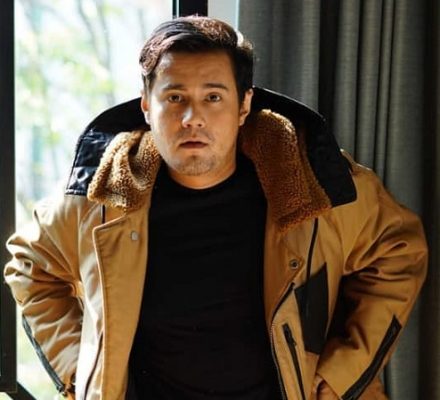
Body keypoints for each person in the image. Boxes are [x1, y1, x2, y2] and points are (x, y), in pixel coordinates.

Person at [4, 15, 427, 400]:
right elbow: (30, 266)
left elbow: (398, 250)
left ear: (244, 105)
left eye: (213, 97)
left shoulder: (313, 183)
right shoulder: (104, 195)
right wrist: (83, 372)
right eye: (174, 97)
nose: (193, 117)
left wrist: (342, 373)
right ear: (147, 105)